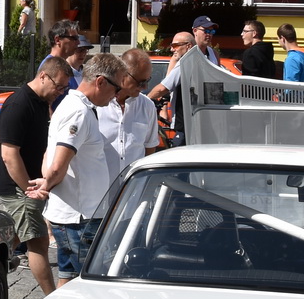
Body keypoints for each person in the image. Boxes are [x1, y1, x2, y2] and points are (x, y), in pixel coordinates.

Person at [41, 53, 128, 285]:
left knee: (68, 278)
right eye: (117, 88)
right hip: (79, 217)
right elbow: (58, 162)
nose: (117, 95)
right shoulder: (78, 111)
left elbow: (48, 154)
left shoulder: (74, 106)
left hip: (77, 214)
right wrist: (47, 183)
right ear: (100, 81)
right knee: (91, 284)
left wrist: (47, 181)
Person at [0, 56, 69, 296]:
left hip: (30, 184)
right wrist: (28, 187)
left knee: (13, 239)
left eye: (65, 88)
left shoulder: (39, 101)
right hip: (20, 187)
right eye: (59, 86)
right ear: (43, 76)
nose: (61, 91)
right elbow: (9, 155)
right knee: (38, 243)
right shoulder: (19, 104)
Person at [101, 48, 160, 177]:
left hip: (133, 191)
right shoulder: (98, 105)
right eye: (141, 82)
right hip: (100, 189)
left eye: (147, 81)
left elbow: (149, 149)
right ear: (123, 74)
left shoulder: (147, 106)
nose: (145, 87)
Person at [148, 32, 195, 144]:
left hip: (184, 125)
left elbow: (162, 88)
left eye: (175, 46)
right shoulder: (199, 60)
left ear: (188, 46)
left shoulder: (185, 63)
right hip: (194, 124)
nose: (172, 50)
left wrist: (146, 99)